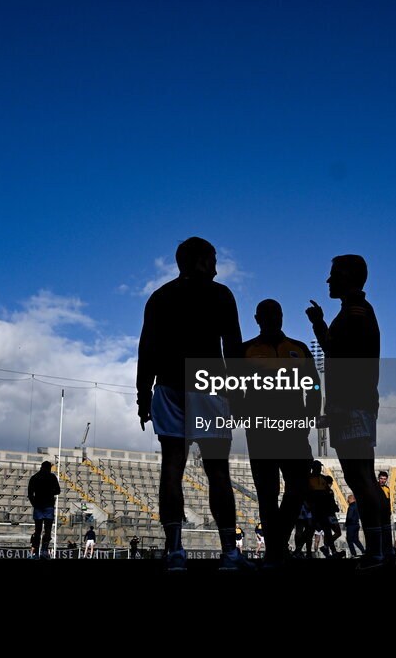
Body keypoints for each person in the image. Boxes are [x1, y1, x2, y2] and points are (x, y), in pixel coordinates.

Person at [136, 237, 250, 571]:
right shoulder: (220, 294)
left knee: (171, 468)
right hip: (209, 385)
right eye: (212, 259)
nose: (215, 266)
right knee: (217, 471)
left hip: (169, 385)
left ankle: (174, 552)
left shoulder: (160, 296)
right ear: (199, 260)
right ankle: (229, 553)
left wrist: (143, 395)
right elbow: (233, 346)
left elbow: (147, 349)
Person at [306, 255, 385, 568]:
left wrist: (318, 324)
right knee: (362, 477)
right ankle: (381, 550)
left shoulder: (354, 312)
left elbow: (336, 352)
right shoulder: (356, 310)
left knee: (360, 478)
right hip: (357, 404)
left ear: (350, 276)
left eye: (333, 274)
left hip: (352, 405)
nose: (328, 280)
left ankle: (377, 551)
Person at [238, 299, 319, 567]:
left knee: (297, 487)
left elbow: (315, 384)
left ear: (282, 317)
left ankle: (277, 542)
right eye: (267, 314)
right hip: (260, 429)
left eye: (277, 314)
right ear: (257, 318)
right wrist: (239, 410)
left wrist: (311, 413)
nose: (273, 318)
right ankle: (276, 551)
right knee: (267, 492)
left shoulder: (299, 348)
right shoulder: (246, 350)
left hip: (294, 428)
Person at [28, 461, 61, 560]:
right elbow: (58, 491)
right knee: (47, 530)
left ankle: (36, 553)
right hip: (48, 506)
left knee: (37, 531)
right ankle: (44, 551)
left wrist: (35, 504)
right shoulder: (52, 477)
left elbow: (30, 494)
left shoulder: (34, 477)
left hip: (38, 507)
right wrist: (50, 492)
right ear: (49, 468)